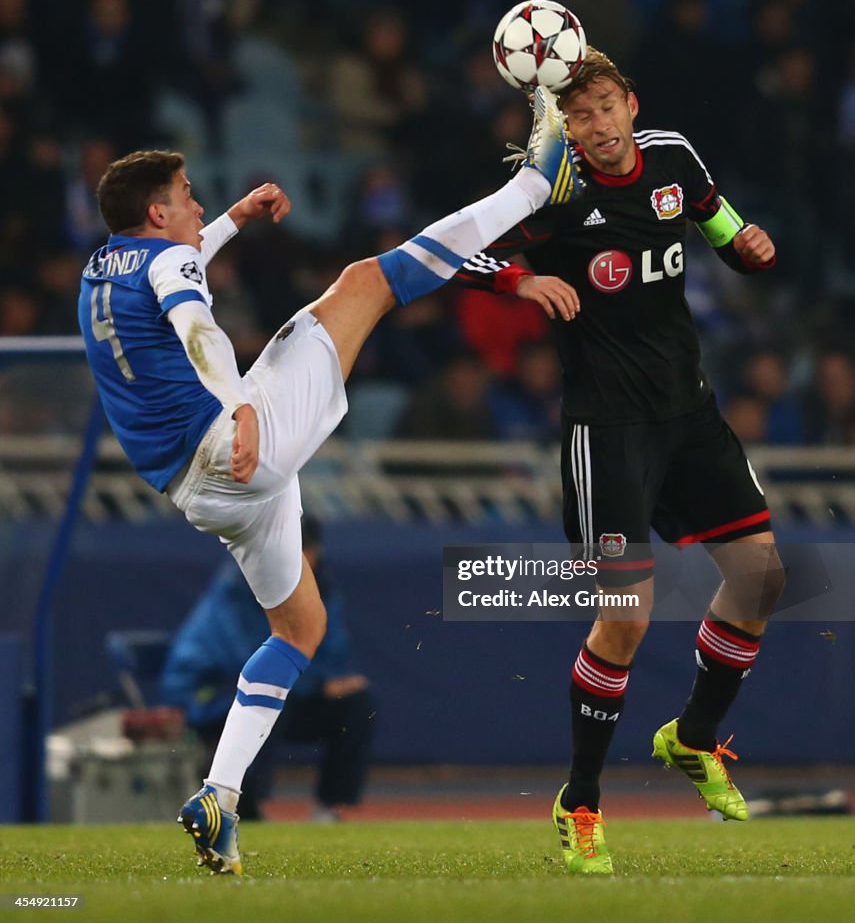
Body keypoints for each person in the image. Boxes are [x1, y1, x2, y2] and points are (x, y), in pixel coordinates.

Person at [77, 86, 581, 875]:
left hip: (197, 492)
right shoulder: (169, 260)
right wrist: (241, 407)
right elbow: (193, 321)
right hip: (235, 442)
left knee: (298, 632)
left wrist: (231, 223)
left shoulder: (101, 272)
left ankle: (219, 794)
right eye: (185, 198)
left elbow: (169, 271)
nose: (195, 202)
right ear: (155, 213)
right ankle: (528, 187)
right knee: (365, 283)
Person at [456, 48, 786, 875]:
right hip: (607, 429)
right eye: (576, 115)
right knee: (627, 619)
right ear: (559, 125)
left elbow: (720, 228)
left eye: (604, 106)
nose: (594, 125)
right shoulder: (550, 189)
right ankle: (581, 801)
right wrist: (519, 284)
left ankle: (693, 738)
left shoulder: (672, 156)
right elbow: (454, 251)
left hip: (689, 413)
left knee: (761, 581)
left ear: (629, 103)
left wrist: (746, 244)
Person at [160, 515, 375, 823]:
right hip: (209, 694)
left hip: (290, 689)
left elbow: (333, 651)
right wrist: (318, 684)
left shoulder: (321, 589)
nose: (304, 559)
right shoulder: (238, 586)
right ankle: (241, 807)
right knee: (267, 695)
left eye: (308, 551)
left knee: (357, 704)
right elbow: (249, 662)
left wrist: (328, 683)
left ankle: (329, 808)